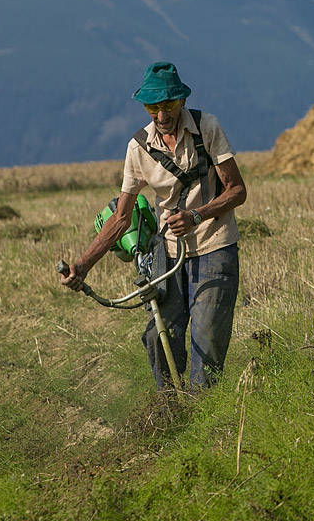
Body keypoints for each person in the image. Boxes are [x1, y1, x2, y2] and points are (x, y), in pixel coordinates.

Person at [61, 62, 247, 390]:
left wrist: (197, 215)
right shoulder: (138, 147)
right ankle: (168, 409)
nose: (161, 116)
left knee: (206, 344)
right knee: (159, 339)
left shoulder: (207, 128)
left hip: (215, 246)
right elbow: (121, 217)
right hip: (168, 254)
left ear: (182, 100)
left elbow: (237, 191)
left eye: (168, 105)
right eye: (152, 107)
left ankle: (205, 413)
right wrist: (83, 264)